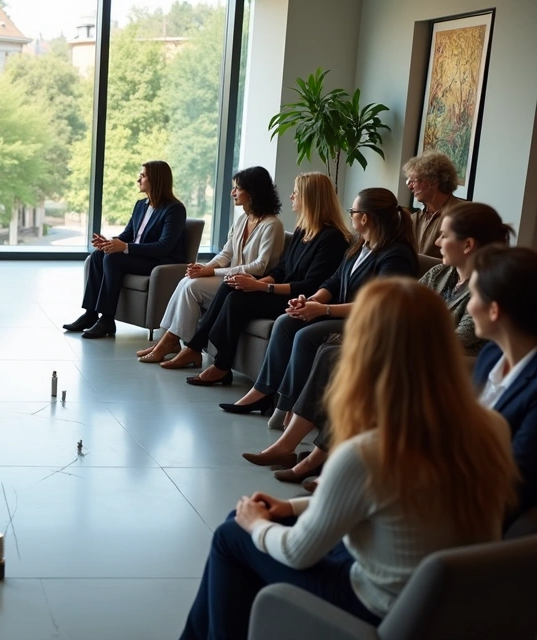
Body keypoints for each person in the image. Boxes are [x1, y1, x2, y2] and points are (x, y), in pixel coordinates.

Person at [180, 278, 517, 639]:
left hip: (375, 603)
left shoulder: (369, 452)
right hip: (445, 604)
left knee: (234, 532)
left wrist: (255, 523)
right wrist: (294, 508)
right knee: (247, 525)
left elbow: (298, 553)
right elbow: (403, 505)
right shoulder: (492, 427)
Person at [243, 203, 512, 483]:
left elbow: (463, 339)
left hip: (448, 364)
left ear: (468, 244)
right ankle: (288, 446)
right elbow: (400, 309)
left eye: (444, 235)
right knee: (329, 352)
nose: (436, 242)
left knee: (345, 359)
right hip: (412, 350)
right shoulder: (439, 274)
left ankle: (318, 460)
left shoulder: (488, 286)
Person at [216, 188, 418, 425]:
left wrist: (325, 310)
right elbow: (332, 282)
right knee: (285, 321)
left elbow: (378, 305)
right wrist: (311, 301)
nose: (350, 215)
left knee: (306, 336)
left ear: (365, 218)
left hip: (367, 322)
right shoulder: (359, 246)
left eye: (352, 211)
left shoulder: (396, 256)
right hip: (340, 313)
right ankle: (262, 392)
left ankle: (288, 406)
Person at [175, 173, 351, 383]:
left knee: (236, 300)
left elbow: (310, 285)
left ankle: (221, 364)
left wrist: (262, 288)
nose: (291, 196)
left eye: (296, 192)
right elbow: (282, 268)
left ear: (310, 197)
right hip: (283, 290)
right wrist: (258, 283)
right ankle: (198, 347)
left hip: (302, 299)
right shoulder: (303, 229)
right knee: (230, 286)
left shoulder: (332, 238)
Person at [137, 166, 284, 366]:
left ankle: (175, 344)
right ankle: (168, 341)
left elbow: (259, 267)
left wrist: (212, 271)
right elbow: (226, 253)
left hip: (251, 283)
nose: (232, 192)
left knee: (192, 288)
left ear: (253, 192)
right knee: (188, 280)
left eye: (237, 188)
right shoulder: (243, 219)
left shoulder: (272, 225)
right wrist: (203, 268)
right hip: (231, 277)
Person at [63, 160, 187, 339]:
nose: (139, 180)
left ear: (156, 180)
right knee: (99, 256)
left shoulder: (174, 209)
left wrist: (125, 247)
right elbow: (127, 235)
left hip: (159, 261)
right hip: (138, 256)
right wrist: (109, 244)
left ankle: (107, 319)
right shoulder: (140, 205)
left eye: (143, 176)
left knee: (113, 259)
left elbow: (163, 247)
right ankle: (90, 314)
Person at [470, 244, 537, 525]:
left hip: (477, 514)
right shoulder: (491, 353)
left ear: (494, 310)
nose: (469, 305)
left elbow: (514, 482)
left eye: (472, 295)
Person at [404, 150, 462, 258]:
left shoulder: (461, 214)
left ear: (433, 182)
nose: (410, 187)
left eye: (414, 181)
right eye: (408, 181)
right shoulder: (415, 218)